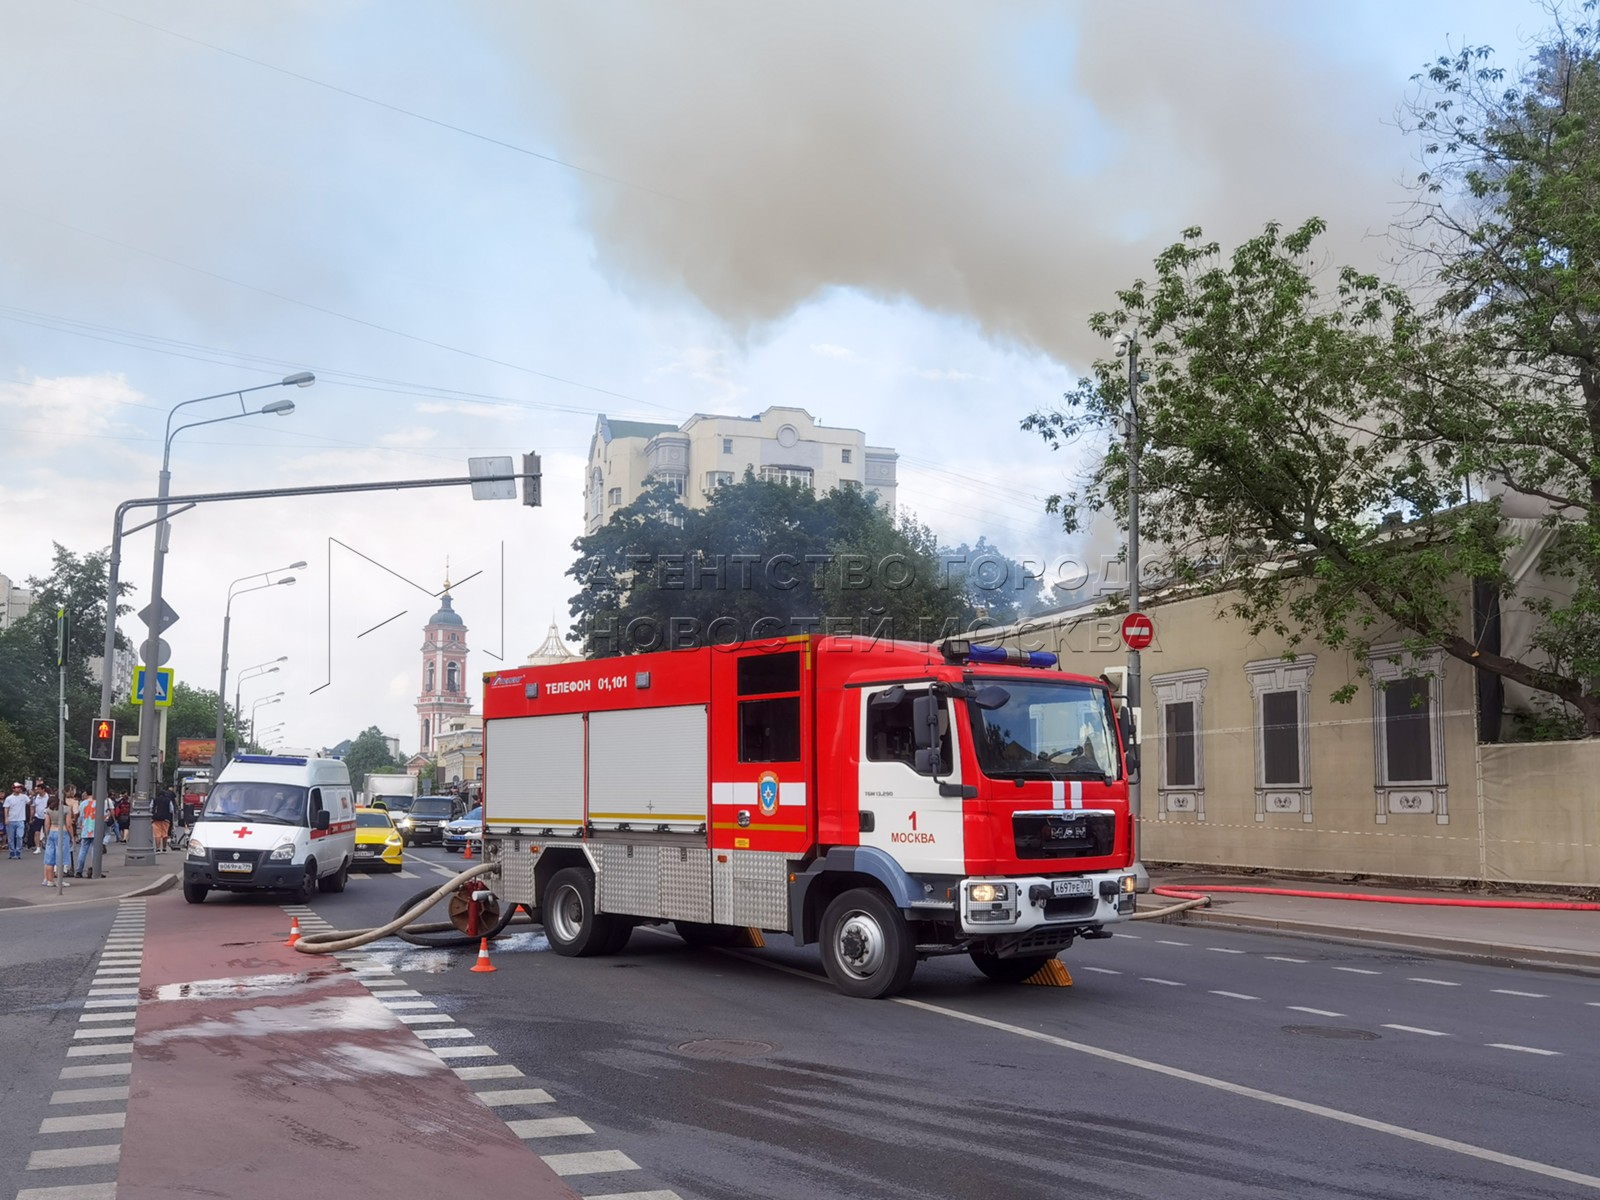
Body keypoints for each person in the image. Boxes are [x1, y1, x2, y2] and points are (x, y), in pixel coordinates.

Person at [41, 791, 69, 887]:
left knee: (49, 858)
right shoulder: (66, 809)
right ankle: (60, 881)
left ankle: (49, 880)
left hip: (52, 831)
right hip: (62, 831)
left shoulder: (49, 809)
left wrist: (47, 834)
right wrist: (72, 836)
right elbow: (68, 824)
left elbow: (47, 823)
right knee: (60, 857)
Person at [73, 790, 97, 878]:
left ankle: (79, 871)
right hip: (96, 829)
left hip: (85, 829)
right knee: (95, 851)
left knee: (83, 851)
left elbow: (81, 816)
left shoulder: (83, 803)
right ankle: (94, 870)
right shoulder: (98, 803)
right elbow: (104, 816)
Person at [5, 783, 27, 859]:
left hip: (20, 820)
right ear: (13, 789)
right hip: (11, 820)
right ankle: (11, 852)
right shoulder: (9, 798)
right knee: (11, 837)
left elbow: (30, 802)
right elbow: (6, 808)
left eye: (19, 788)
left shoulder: (24, 797)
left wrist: (23, 787)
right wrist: (6, 818)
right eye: (17, 788)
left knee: (19, 836)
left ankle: (18, 852)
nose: (18, 789)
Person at [152, 786, 174, 852]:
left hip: (156, 819)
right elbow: (171, 810)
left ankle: (157, 848)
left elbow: (151, 808)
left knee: (157, 834)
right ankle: (164, 848)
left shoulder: (155, 800)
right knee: (165, 833)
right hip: (166, 819)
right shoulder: (168, 800)